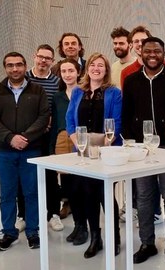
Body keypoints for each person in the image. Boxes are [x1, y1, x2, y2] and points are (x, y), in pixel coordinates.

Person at [121, 37, 165, 264]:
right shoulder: (130, 81)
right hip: (140, 149)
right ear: (140, 52)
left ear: (163, 53)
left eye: (157, 51)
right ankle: (147, 243)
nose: (152, 54)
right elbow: (126, 115)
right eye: (147, 50)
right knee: (144, 197)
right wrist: (130, 143)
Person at [0, 52, 50, 251]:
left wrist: (26, 137)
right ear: (5, 68)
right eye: (10, 65)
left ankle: (33, 231)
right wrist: (10, 138)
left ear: (25, 66)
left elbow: (43, 116)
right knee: (7, 194)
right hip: (5, 151)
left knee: (32, 193)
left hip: (31, 150)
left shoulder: (37, 90)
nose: (15, 69)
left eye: (19, 65)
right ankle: (9, 233)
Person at [66, 52, 122, 259]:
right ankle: (95, 238)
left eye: (101, 65)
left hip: (106, 151)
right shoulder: (78, 92)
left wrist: (105, 146)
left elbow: (115, 123)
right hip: (82, 152)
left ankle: (114, 237)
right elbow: (69, 120)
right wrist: (77, 143)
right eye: (93, 65)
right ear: (87, 68)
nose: (96, 68)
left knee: (105, 195)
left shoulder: (114, 93)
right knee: (87, 193)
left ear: (106, 70)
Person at [25, 44, 64, 232]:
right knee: (25, 177)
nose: (43, 61)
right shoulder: (23, 78)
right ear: (34, 56)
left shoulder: (57, 82)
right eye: (40, 57)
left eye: (47, 58)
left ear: (52, 61)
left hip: (48, 136)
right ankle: (23, 216)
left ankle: (54, 214)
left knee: (50, 176)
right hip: (26, 136)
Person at [50, 58, 89, 246]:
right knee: (69, 187)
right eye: (63, 71)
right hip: (62, 141)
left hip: (82, 141)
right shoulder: (57, 97)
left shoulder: (85, 93)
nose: (67, 74)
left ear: (78, 72)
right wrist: (52, 148)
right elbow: (56, 123)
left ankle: (86, 227)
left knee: (82, 185)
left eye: (71, 71)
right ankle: (78, 225)